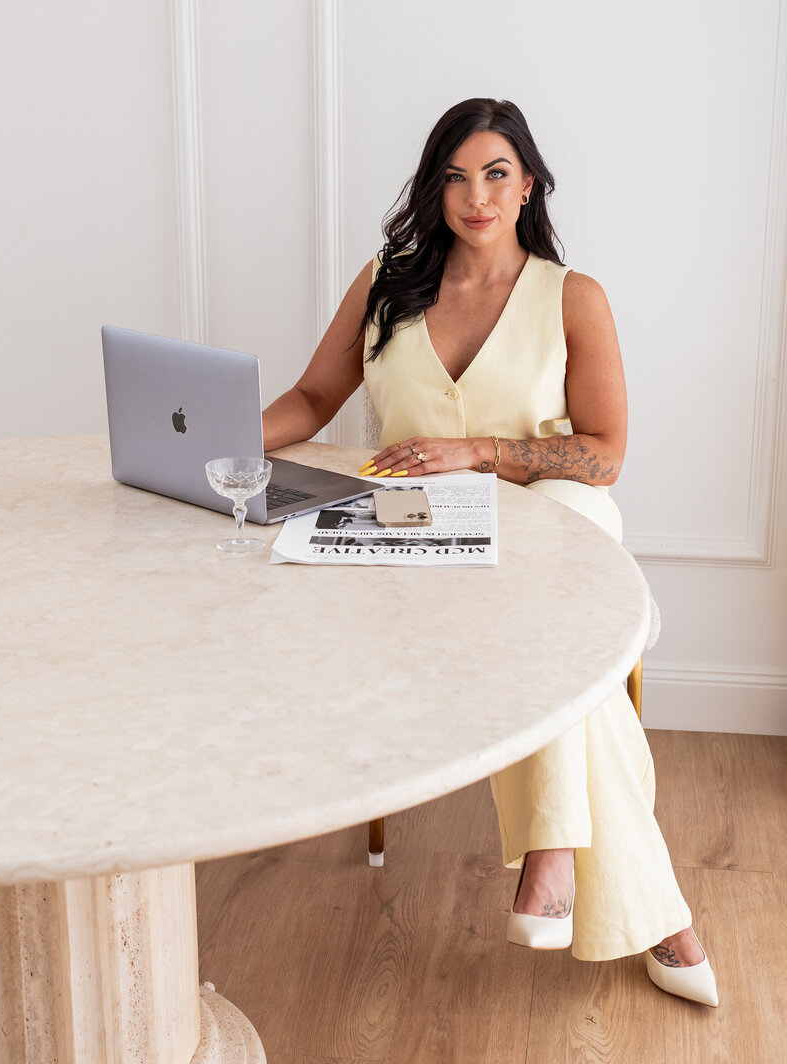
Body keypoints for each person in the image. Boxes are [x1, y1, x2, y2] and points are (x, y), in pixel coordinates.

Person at [262, 97, 718, 1007]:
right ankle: (657, 911)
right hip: (414, 522)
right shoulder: (387, 282)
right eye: (456, 176)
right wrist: (232, 445)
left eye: (497, 173)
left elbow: (603, 453)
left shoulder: (571, 296)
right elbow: (313, 398)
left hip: (555, 517)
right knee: (562, 659)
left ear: (529, 184)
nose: (477, 196)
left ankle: (555, 854)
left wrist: (482, 452)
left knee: (542, 596)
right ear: (434, 189)